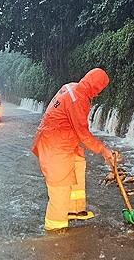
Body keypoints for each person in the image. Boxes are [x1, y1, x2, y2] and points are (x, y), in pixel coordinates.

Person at [32, 67, 115, 231]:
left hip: (61, 139)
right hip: (55, 146)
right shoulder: (78, 100)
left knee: (78, 164)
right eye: (99, 89)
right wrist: (105, 151)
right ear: (96, 87)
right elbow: (83, 134)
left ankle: (74, 209)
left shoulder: (72, 87)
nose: (98, 94)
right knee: (60, 187)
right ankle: (55, 229)